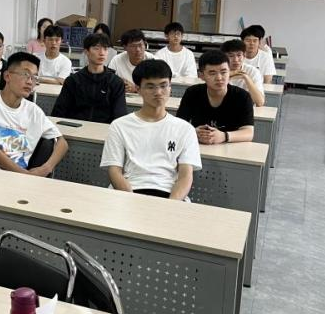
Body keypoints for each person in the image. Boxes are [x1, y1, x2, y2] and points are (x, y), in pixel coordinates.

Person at [101, 59, 201, 200]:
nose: (158, 92)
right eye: (150, 87)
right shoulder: (120, 125)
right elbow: (114, 171)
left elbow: (185, 176)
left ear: (170, 87)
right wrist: (132, 202)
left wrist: (169, 205)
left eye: (163, 85)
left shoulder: (185, 129)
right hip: (130, 191)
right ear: (138, 89)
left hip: (168, 193)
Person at [0, 52, 68, 175]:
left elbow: (62, 143)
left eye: (34, 77)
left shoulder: (34, 111)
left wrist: (46, 168)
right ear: (7, 76)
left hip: (18, 179)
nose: (30, 82)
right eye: (25, 74)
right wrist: (25, 175)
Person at [176, 50, 254, 144]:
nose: (219, 78)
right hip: (198, 145)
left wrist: (224, 136)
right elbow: (179, 124)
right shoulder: (192, 92)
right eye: (212, 73)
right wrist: (193, 132)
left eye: (223, 72)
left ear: (230, 72)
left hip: (230, 146)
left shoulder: (242, 96)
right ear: (201, 75)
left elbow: (249, 133)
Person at [52, 33, 127, 124]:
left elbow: (120, 116)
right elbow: (58, 113)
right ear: (86, 51)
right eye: (96, 48)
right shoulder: (73, 81)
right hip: (75, 127)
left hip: (104, 129)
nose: (102, 53)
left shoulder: (115, 82)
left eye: (105, 49)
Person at [221, 39, 265, 107]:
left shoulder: (253, 71)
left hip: (246, 109)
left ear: (244, 56)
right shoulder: (218, 72)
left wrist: (246, 77)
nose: (236, 60)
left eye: (239, 55)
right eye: (231, 56)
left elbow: (259, 102)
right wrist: (228, 75)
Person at [108, 29, 153, 93]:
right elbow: (108, 82)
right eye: (133, 46)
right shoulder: (116, 60)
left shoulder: (153, 61)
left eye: (140, 45)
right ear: (125, 47)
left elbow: (158, 88)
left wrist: (136, 88)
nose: (138, 50)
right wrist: (119, 84)